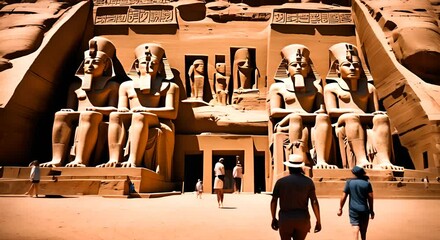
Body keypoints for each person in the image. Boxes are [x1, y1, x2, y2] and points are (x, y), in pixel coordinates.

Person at [98, 43, 179, 182]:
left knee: (139, 116)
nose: (149, 66)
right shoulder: (126, 86)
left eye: (154, 63)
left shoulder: (170, 86)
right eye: (143, 63)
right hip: (133, 117)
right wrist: (124, 110)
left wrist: (147, 110)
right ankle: (113, 158)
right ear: (136, 66)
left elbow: (172, 113)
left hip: (157, 121)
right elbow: (121, 108)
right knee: (115, 115)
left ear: (160, 67)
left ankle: (133, 160)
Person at [40, 36, 121, 167]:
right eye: (87, 62)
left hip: (97, 116)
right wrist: (68, 110)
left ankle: (80, 160)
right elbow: (71, 108)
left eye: (95, 62)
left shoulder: (112, 86)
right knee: (61, 115)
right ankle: (57, 159)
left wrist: (96, 109)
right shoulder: (75, 86)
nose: (90, 65)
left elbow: (114, 109)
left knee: (88, 115)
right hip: (81, 115)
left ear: (106, 65)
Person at [324, 43, 403, 170]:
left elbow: (374, 112)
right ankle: (361, 159)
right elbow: (331, 112)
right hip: (342, 122)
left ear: (361, 69)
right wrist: (352, 111)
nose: (352, 68)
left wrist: (376, 114)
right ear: (337, 69)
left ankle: (385, 160)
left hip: (364, 122)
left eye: (356, 65)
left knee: (381, 119)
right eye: (347, 65)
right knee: (351, 117)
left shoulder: (369, 88)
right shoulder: (331, 87)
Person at [268, 44, 334, 169]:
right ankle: (298, 158)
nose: (298, 67)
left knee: (323, 118)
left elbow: (321, 110)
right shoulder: (277, 87)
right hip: (287, 121)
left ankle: (321, 160)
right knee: (296, 117)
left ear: (309, 69)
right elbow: (274, 111)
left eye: (303, 65)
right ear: (286, 69)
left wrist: (314, 114)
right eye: (294, 65)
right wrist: (296, 112)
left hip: (310, 120)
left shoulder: (316, 86)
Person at [270, 154, 322, 240]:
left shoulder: (281, 182)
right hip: (302, 218)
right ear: (301, 167)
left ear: (289, 167)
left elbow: (273, 201)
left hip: (285, 218)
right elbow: (314, 202)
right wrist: (318, 220)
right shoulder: (308, 182)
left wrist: (273, 218)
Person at [337, 166, 374, 240]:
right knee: (363, 232)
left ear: (354, 173)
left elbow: (343, 197)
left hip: (353, 209)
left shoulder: (349, 182)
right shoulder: (367, 183)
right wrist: (371, 210)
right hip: (364, 209)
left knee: (355, 228)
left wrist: (340, 208)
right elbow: (370, 198)